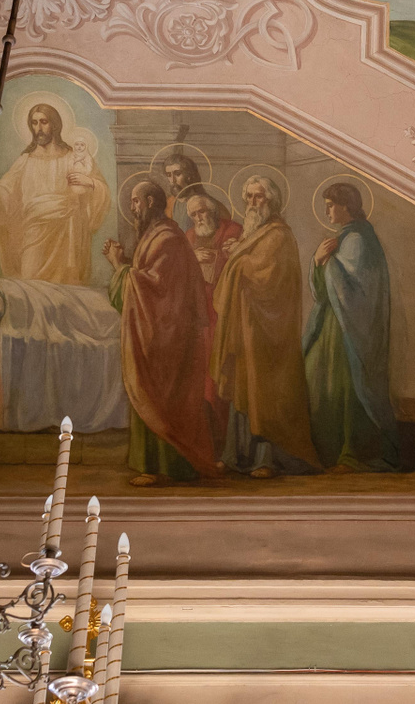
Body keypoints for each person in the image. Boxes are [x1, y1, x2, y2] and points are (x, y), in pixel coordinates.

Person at [106, 178, 221, 485]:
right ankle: (155, 466)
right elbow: (146, 280)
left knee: (162, 396)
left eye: (136, 201)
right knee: (154, 394)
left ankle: (166, 467)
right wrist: (124, 266)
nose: (132, 208)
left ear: (150, 203)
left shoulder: (167, 239)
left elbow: (155, 288)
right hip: (158, 331)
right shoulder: (155, 235)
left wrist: (118, 267)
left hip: (170, 336)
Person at [211, 175, 324, 478]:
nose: (251, 203)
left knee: (264, 394)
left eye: (258, 197)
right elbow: (247, 265)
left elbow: (264, 275)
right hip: (246, 327)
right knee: (241, 389)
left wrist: (236, 256)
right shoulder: (256, 233)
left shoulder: (278, 235)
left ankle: (265, 460)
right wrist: (238, 252)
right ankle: (234, 455)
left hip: (270, 331)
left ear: (271, 201)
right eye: (248, 197)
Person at [304, 183, 401, 473]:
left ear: (347, 206)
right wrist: (318, 262)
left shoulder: (358, 239)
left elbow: (354, 291)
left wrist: (324, 261)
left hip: (349, 330)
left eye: (331, 205)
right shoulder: (346, 237)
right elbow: (324, 292)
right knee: (320, 380)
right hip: (335, 323)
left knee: (346, 387)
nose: (327, 211)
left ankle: (352, 453)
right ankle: (328, 451)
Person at [0, 103, 109, 284]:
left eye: (44, 122)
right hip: (34, 231)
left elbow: (102, 189)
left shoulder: (74, 158)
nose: (38, 128)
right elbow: (4, 190)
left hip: (67, 233)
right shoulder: (25, 160)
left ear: (55, 124)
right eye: (34, 122)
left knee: (65, 288)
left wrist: (90, 182)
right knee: (30, 280)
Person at [184, 190, 243, 449]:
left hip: (226, 314)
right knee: (200, 378)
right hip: (199, 316)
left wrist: (230, 255)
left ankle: (225, 443)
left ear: (214, 212)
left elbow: (243, 265)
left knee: (221, 377)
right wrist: (192, 260)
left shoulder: (233, 231)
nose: (199, 218)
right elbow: (179, 272)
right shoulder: (189, 237)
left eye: (203, 212)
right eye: (194, 214)